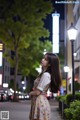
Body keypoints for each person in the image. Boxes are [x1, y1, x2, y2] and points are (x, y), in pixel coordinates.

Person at [29, 52, 62, 120]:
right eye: (43, 58)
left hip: (40, 102)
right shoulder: (44, 74)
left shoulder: (46, 75)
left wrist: (30, 93)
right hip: (39, 101)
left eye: (45, 59)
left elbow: (38, 92)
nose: (42, 60)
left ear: (49, 64)